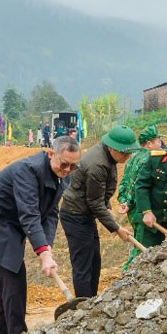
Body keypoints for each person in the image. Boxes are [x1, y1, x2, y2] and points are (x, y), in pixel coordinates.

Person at [0, 137, 77, 334]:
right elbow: (29, 215)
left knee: (8, 282)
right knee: (14, 277)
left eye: (73, 166)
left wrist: (47, 248)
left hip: (14, 224)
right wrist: (42, 252)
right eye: (64, 164)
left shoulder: (63, 177)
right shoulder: (27, 171)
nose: (67, 169)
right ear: (51, 154)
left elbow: (51, 212)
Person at [58, 126, 138, 298]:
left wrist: (107, 209)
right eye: (125, 153)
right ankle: (84, 307)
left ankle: (91, 301)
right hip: (76, 216)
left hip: (85, 214)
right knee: (83, 265)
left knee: (94, 262)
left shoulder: (107, 156)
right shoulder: (97, 164)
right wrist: (117, 229)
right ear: (113, 148)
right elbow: (94, 202)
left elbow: (99, 194)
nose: (128, 157)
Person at [116, 125, 163, 269]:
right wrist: (130, 203)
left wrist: (124, 201)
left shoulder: (132, 158)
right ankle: (126, 275)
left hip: (133, 211)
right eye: (158, 141)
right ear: (149, 143)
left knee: (140, 241)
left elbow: (123, 183)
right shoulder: (148, 159)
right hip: (141, 210)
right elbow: (139, 186)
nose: (160, 144)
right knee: (141, 248)